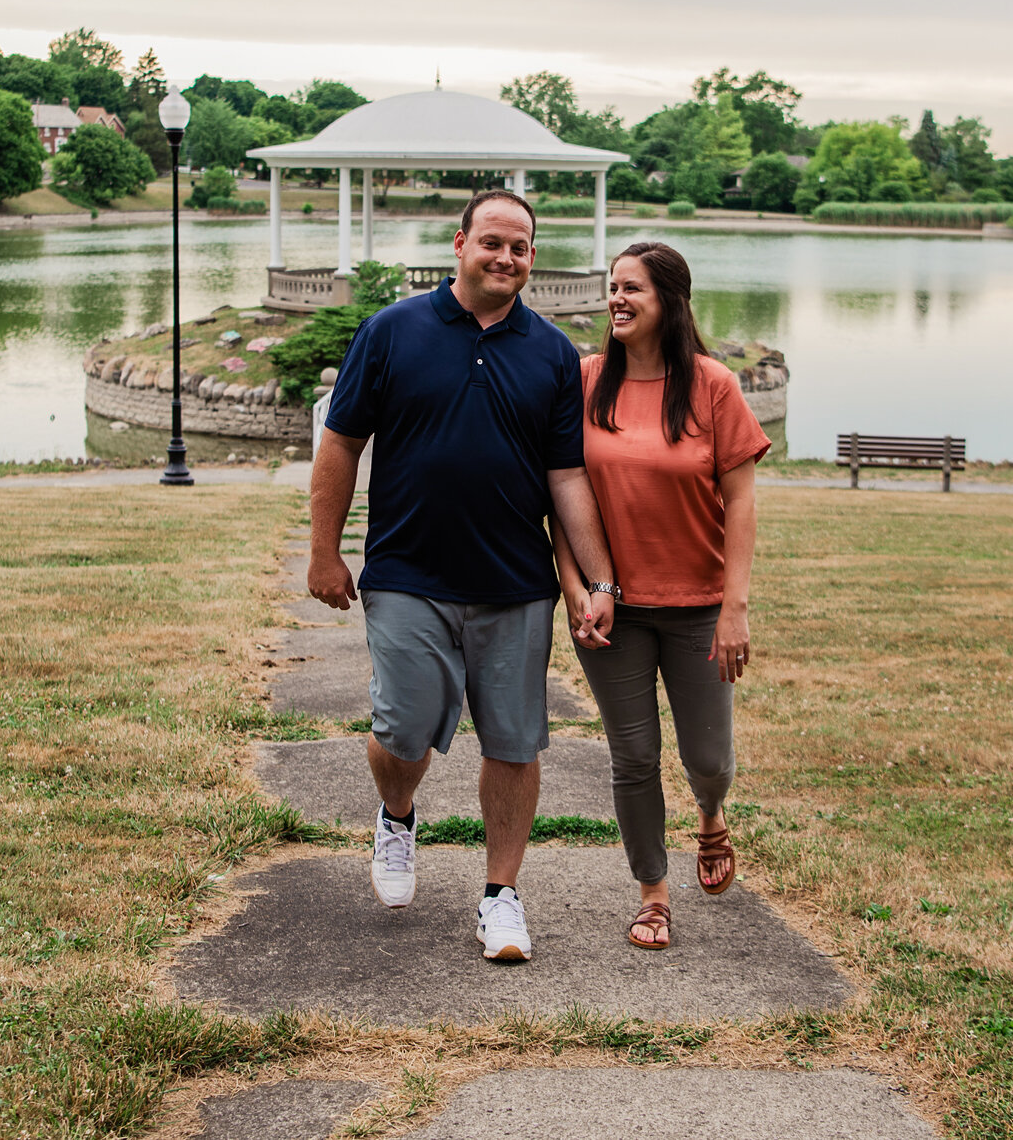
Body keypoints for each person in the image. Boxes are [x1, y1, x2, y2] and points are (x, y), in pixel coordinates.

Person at [308, 189, 620, 962]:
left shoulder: (549, 352)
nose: (505, 257)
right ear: (459, 244)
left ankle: (501, 895)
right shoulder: (392, 331)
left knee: (514, 744)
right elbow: (342, 442)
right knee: (403, 728)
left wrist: (599, 580)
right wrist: (324, 550)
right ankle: (396, 814)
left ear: (531, 258)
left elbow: (567, 476)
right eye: (492, 242)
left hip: (514, 584)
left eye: (519, 247)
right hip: (408, 573)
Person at [553, 241, 770, 950]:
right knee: (634, 758)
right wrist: (579, 590)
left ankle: (710, 816)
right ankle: (652, 893)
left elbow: (741, 504)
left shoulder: (712, 386)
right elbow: (560, 495)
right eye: (613, 287)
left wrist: (734, 607)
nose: (616, 299)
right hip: (614, 610)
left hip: (699, 608)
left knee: (708, 761)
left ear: (669, 301)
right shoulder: (583, 381)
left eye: (632, 289)